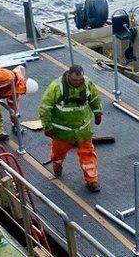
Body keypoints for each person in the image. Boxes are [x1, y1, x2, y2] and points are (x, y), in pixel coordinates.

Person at [38, 64, 103, 192]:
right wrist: (48, 127)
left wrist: (98, 112)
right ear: (68, 75)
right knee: (58, 154)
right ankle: (57, 166)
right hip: (63, 132)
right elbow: (45, 109)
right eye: (74, 80)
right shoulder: (56, 88)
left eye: (80, 80)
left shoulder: (87, 84)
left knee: (88, 154)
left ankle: (92, 180)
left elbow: (95, 99)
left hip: (83, 129)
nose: (77, 83)